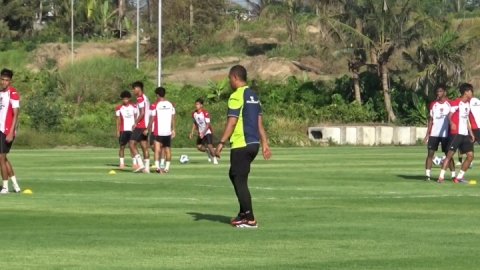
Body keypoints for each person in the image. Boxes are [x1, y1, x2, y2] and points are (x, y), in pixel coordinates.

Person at [215, 65, 272, 228]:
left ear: (234, 77)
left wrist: (221, 143)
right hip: (253, 144)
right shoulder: (254, 96)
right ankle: (242, 214)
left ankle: (250, 219)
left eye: (229, 79)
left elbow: (232, 122)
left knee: (239, 179)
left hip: (241, 143)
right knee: (235, 175)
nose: (228, 81)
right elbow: (259, 122)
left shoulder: (236, 96)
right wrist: (265, 143)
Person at [438, 83, 475, 184]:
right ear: (466, 92)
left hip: (465, 134)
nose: (472, 93)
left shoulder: (468, 104)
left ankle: (459, 177)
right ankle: (441, 177)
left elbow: (466, 119)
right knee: (449, 156)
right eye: (471, 91)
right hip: (456, 134)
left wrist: (470, 132)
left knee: (470, 156)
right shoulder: (456, 103)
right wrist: (451, 122)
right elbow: (449, 115)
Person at [423, 85, 455, 181]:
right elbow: (431, 120)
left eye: (440, 91)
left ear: (445, 92)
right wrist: (427, 134)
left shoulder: (450, 104)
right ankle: (427, 175)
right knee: (430, 154)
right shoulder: (433, 104)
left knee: (448, 155)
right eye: (437, 91)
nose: (438, 93)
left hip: (446, 134)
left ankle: (453, 175)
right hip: (434, 134)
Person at [0, 68, 21, 194]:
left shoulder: (13, 93)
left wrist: (11, 132)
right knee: (4, 158)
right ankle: (15, 185)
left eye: (6, 80)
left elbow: (16, 114)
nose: (4, 82)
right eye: (2, 79)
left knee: (1, 158)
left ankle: (5, 187)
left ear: (10, 81)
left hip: (7, 130)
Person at [148, 87, 176, 173]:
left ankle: (157, 167)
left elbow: (152, 118)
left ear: (157, 95)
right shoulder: (170, 104)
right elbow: (173, 118)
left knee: (157, 149)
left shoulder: (154, 105)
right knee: (167, 149)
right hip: (167, 131)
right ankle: (166, 168)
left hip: (158, 131)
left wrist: (147, 128)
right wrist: (174, 129)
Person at [129, 81, 150, 173]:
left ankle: (140, 165)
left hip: (141, 125)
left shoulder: (140, 98)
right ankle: (147, 169)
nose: (133, 91)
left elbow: (142, 113)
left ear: (138, 88)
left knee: (131, 143)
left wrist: (135, 123)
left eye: (134, 89)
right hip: (146, 125)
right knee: (144, 146)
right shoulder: (146, 98)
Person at [189, 98, 218, 165]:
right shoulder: (194, 113)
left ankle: (214, 159)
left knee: (210, 145)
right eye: (196, 104)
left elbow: (208, 124)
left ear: (201, 105)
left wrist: (203, 133)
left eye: (198, 104)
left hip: (207, 131)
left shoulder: (205, 113)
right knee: (199, 147)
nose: (196, 105)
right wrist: (192, 132)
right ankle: (207, 151)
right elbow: (195, 123)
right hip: (200, 132)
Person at [116, 90, 137, 169]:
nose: (125, 100)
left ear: (129, 99)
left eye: (126, 99)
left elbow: (136, 117)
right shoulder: (119, 108)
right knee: (122, 147)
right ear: (122, 99)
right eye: (123, 99)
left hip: (132, 130)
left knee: (133, 147)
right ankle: (121, 163)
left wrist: (136, 128)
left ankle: (134, 163)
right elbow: (118, 120)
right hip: (123, 130)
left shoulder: (134, 107)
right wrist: (117, 130)